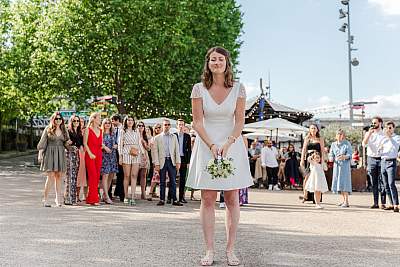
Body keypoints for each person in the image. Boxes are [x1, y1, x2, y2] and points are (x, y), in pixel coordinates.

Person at [186, 46, 253, 266]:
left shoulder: (238, 89)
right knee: (207, 198)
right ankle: (209, 250)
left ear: (227, 63)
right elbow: (197, 122)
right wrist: (212, 145)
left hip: (231, 145)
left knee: (232, 198)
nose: (216, 63)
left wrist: (228, 143)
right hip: (207, 144)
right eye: (213, 59)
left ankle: (230, 249)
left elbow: (240, 121)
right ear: (208, 63)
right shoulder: (198, 89)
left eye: (220, 59)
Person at [37, 111, 71, 207]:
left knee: (59, 177)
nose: (58, 120)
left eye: (60, 119)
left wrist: (69, 144)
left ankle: (57, 199)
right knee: (50, 177)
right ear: (53, 119)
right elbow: (42, 142)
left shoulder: (64, 130)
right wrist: (40, 154)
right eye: (56, 118)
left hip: (60, 153)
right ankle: (45, 199)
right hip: (50, 153)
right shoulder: (48, 129)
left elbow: (66, 143)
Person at [152, 119, 183, 206]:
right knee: (162, 181)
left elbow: (177, 150)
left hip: (171, 161)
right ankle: (162, 199)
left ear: (170, 126)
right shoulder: (157, 138)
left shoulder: (174, 137)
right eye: (165, 125)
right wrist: (156, 163)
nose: (167, 126)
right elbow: (155, 152)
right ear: (162, 126)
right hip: (162, 161)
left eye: (168, 125)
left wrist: (178, 162)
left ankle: (174, 200)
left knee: (173, 181)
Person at [362, 116, 386, 209]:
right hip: (371, 159)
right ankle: (376, 203)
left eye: (375, 123)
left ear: (380, 123)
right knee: (374, 182)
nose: (373, 124)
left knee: (383, 181)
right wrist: (369, 134)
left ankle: (383, 203)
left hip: (381, 159)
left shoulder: (384, 134)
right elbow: (364, 144)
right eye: (372, 123)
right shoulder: (369, 133)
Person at [300, 124, 326, 203]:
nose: (313, 130)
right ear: (309, 130)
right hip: (308, 160)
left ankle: (316, 198)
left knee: (316, 178)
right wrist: (301, 160)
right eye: (311, 128)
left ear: (317, 130)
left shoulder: (320, 138)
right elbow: (304, 149)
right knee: (307, 177)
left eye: (314, 128)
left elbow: (322, 150)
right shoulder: (307, 138)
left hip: (317, 159)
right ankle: (305, 195)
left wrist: (323, 161)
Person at [118, 115, 141, 205]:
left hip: (135, 152)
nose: (130, 122)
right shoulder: (122, 131)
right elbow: (120, 144)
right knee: (127, 175)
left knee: (134, 175)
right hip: (126, 152)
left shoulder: (137, 131)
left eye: (132, 120)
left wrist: (142, 154)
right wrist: (120, 156)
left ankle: (133, 196)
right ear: (126, 121)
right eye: (128, 120)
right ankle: (126, 196)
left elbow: (139, 143)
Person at [379, 121, 400, 212]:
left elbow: (395, 147)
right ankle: (391, 204)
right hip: (383, 161)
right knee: (386, 184)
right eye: (387, 128)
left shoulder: (397, 137)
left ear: (393, 128)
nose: (388, 129)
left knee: (391, 183)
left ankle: (396, 204)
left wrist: (389, 137)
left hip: (391, 161)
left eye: (390, 128)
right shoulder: (383, 138)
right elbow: (380, 150)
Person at [329, 129, 352, 208]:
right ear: (336, 136)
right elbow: (331, 154)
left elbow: (350, 154)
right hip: (337, 166)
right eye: (338, 134)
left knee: (344, 182)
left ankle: (346, 201)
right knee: (339, 183)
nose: (340, 135)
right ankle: (344, 200)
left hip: (345, 166)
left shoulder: (347, 143)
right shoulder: (333, 144)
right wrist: (331, 158)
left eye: (341, 134)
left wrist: (344, 156)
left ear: (343, 135)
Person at [84, 112, 103, 206]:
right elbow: (85, 144)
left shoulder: (101, 130)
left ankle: (92, 198)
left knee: (97, 176)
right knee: (93, 176)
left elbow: (100, 143)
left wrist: (104, 146)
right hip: (90, 155)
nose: (100, 119)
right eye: (99, 118)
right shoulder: (87, 129)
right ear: (94, 119)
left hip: (99, 155)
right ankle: (93, 199)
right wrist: (90, 153)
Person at [64, 114, 82, 205]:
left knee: (74, 177)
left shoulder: (79, 132)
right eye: (74, 121)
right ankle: (68, 198)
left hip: (77, 155)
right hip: (69, 154)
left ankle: (73, 198)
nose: (76, 122)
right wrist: (68, 144)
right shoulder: (68, 131)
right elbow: (65, 143)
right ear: (71, 122)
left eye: (77, 121)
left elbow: (80, 145)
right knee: (69, 176)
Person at [100, 118, 118, 204]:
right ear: (103, 124)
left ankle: (104, 194)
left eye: (109, 123)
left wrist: (116, 146)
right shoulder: (101, 133)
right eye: (105, 123)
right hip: (104, 156)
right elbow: (99, 144)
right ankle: (107, 197)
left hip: (112, 156)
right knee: (105, 176)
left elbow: (116, 143)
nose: (107, 124)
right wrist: (104, 147)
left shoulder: (113, 133)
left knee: (111, 176)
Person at [174, 119, 192, 203]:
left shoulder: (187, 136)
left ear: (184, 126)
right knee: (172, 178)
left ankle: (181, 197)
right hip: (175, 159)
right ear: (177, 126)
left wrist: (188, 161)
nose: (181, 126)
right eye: (179, 125)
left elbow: (189, 150)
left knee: (182, 179)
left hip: (184, 159)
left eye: (182, 125)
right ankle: (171, 197)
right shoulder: (173, 135)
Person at [111, 114, 124, 201]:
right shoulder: (112, 129)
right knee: (111, 172)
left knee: (121, 173)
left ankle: (120, 192)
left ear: (117, 120)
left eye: (113, 120)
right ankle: (110, 193)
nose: (112, 122)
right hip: (112, 151)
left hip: (121, 152)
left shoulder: (123, 129)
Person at [137, 121, 150, 200]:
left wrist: (145, 144)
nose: (141, 127)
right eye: (139, 125)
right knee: (134, 175)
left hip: (145, 156)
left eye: (142, 126)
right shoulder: (134, 135)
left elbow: (148, 149)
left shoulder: (146, 136)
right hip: (136, 156)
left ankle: (143, 193)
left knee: (143, 175)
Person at [76, 117, 87, 202]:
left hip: (86, 153)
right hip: (79, 153)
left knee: (84, 175)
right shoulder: (76, 131)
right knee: (79, 174)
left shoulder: (86, 130)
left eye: (82, 121)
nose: (81, 123)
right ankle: (76, 195)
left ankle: (84, 195)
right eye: (80, 121)